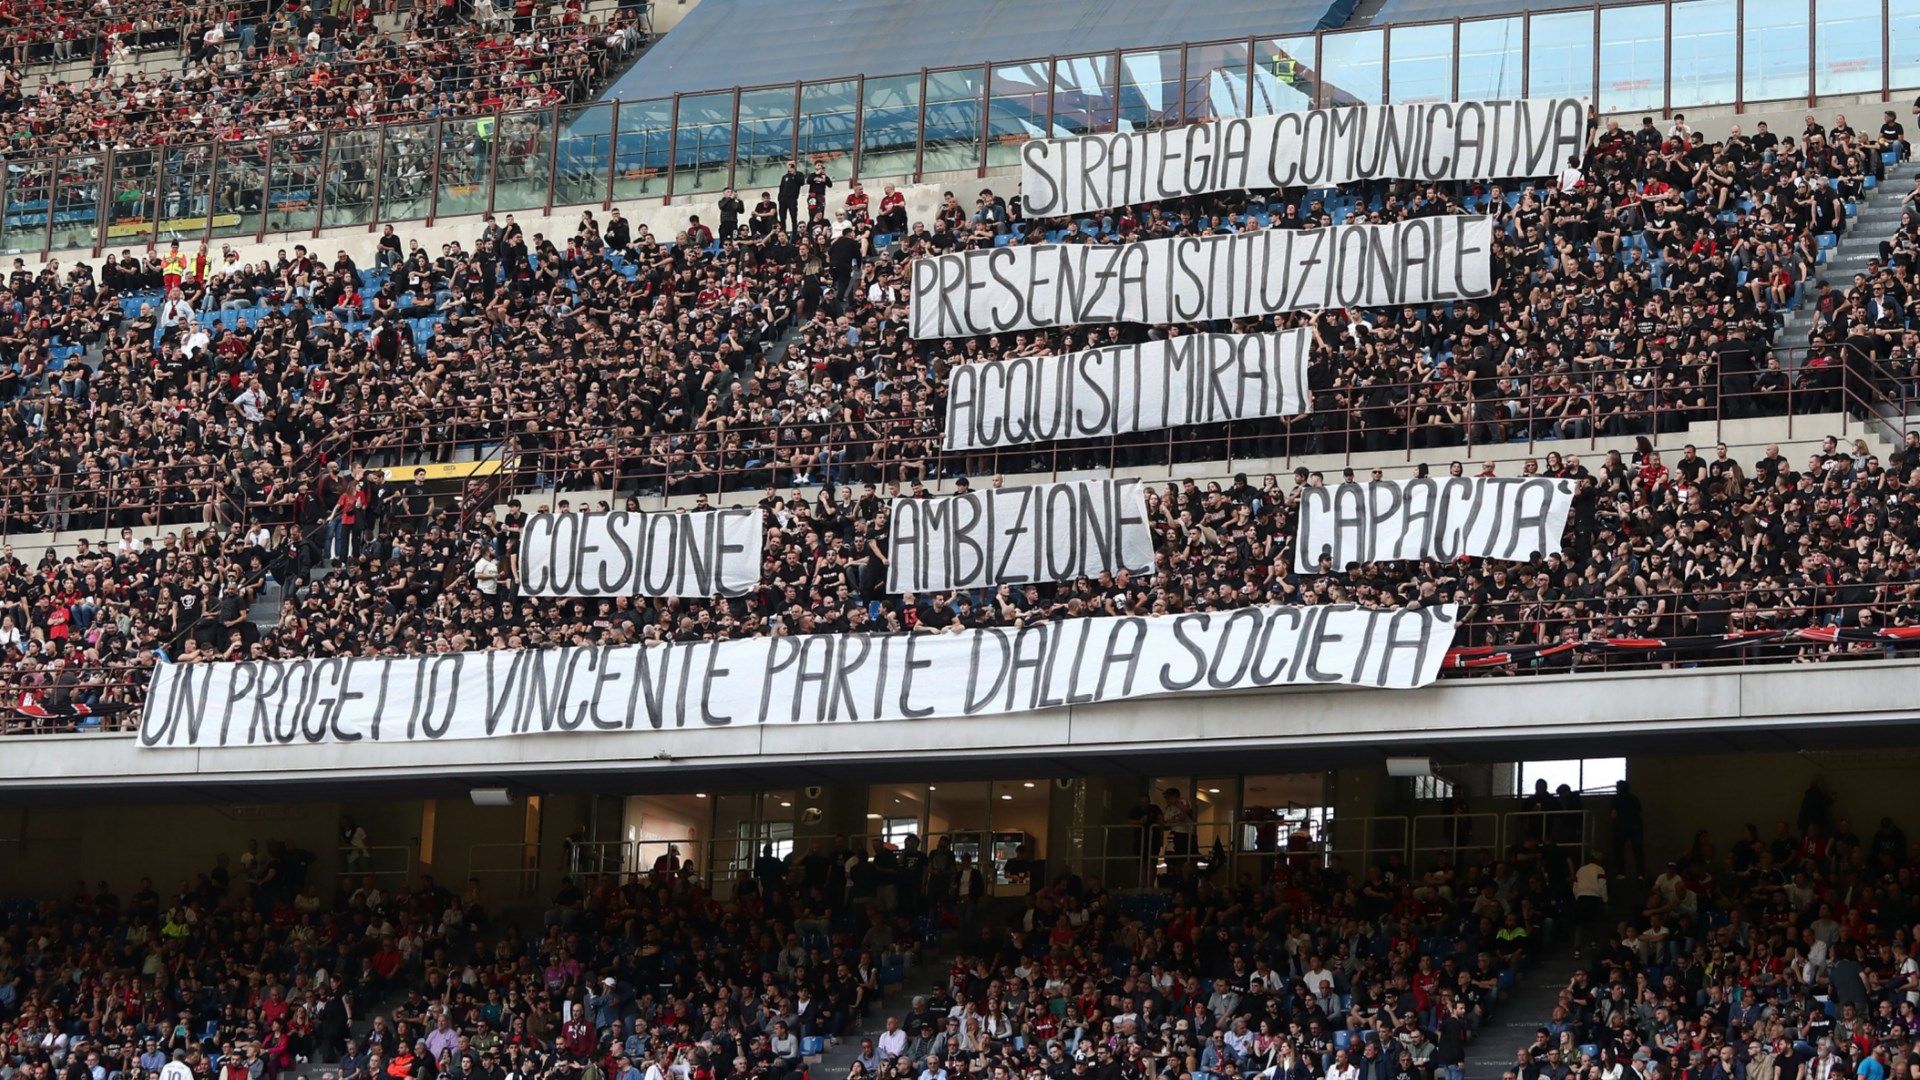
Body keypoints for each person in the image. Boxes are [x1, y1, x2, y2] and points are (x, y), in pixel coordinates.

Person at [1610, 780, 1645, 879]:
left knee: (1619, 850)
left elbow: (1613, 814)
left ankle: (1621, 873)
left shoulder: (1616, 798)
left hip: (1621, 827)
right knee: (1638, 851)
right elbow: (1639, 811)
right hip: (1636, 827)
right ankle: (1640, 874)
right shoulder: (1634, 798)